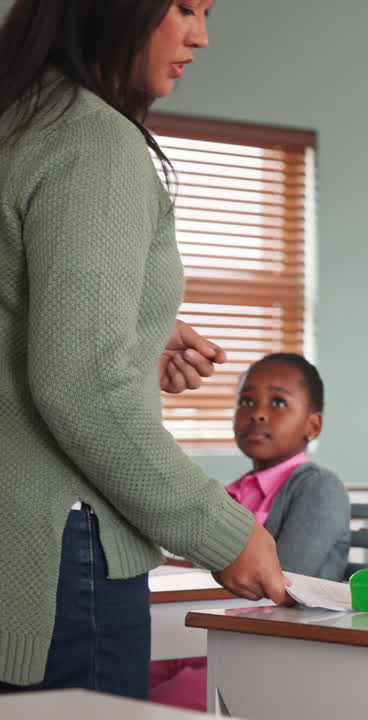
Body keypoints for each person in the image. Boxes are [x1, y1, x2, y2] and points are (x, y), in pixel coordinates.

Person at [0, 0, 287, 697]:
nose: (202, 36)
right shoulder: (93, 142)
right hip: (59, 555)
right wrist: (225, 533)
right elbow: (82, 386)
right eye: (183, 7)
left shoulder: (18, 122)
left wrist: (135, 341)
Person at [151, 353, 350, 710]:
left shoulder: (319, 487)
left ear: (313, 425)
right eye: (246, 401)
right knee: (115, 683)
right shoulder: (231, 492)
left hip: (275, 651)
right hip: (207, 636)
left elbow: (286, 580)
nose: (257, 413)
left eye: (278, 402)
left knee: (151, 705)